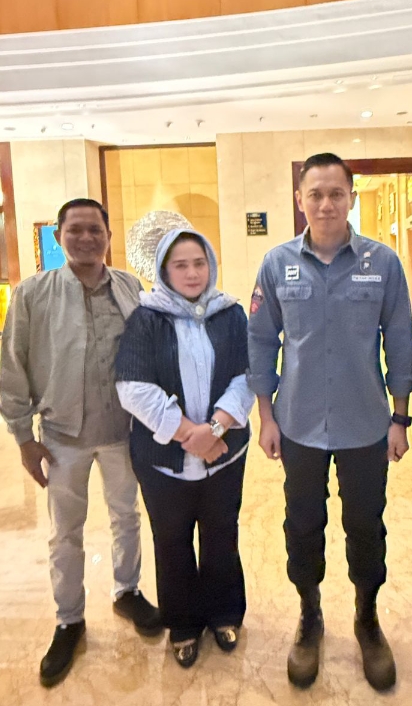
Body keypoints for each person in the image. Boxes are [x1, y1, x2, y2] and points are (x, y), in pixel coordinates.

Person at [247, 152, 412, 692]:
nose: (325, 204)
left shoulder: (382, 262)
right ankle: (309, 615)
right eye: (315, 194)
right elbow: (260, 342)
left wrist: (400, 417)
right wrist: (266, 416)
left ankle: (367, 617)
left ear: (351, 198)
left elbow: (400, 342)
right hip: (297, 423)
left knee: (365, 524)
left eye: (336, 193)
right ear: (300, 200)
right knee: (302, 524)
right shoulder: (276, 264)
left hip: (366, 423)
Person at [0, 198, 162, 688]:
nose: (86, 238)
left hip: (122, 432)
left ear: (108, 235)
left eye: (95, 230)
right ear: (59, 236)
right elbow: (12, 365)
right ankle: (69, 619)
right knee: (65, 532)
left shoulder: (130, 287)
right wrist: (23, 438)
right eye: (75, 230)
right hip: (62, 436)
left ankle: (127, 590)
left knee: (126, 516)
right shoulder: (33, 293)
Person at [115, 229, 254, 668]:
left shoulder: (230, 314)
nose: (192, 273)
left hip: (224, 455)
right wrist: (191, 435)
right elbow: (133, 387)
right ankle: (183, 624)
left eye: (199, 263)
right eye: (181, 265)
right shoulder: (146, 318)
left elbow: (248, 375)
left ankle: (224, 613)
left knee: (221, 534)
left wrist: (215, 429)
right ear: (164, 271)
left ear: (211, 264)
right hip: (163, 462)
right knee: (172, 540)